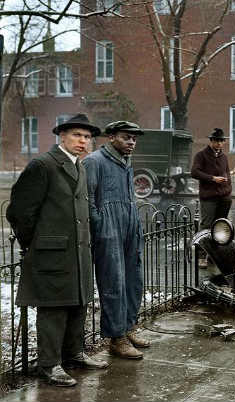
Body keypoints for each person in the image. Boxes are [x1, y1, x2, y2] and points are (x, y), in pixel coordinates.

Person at [6, 113, 108, 387]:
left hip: (77, 251)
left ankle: (73, 354)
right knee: (53, 309)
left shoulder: (81, 166)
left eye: (87, 137)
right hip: (51, 252)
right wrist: (36, 243)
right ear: (61, 136)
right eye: (77, 135)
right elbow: (19, 212)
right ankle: (49, 365)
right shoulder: (43, 165)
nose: (83, 141)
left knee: (78, 303)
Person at [83, 121, 150, 360]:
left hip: (129, 223)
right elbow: (88, 199)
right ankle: (116, 338)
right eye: (126, 137)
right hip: (108, 228)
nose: (131, 142)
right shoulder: (94, 161)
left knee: (134, 279)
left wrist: (134, 223)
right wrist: (100, 227)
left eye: (134, 138)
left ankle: (129, 326)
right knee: (113, 282)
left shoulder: (126, 161)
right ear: (111, 137)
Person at [191, 128, 233, 230]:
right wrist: (213, 178)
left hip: (224, 199)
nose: (219, 143)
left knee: (222, 226)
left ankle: (219, 246)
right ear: (211, 141)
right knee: (207, 226)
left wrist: (228, 191)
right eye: (216, 140)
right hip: (209, 198)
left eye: (221, 141)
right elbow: (194, 172)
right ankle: (203, 246)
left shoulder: (224, 157)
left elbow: (227, 175)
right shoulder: (201, 155)